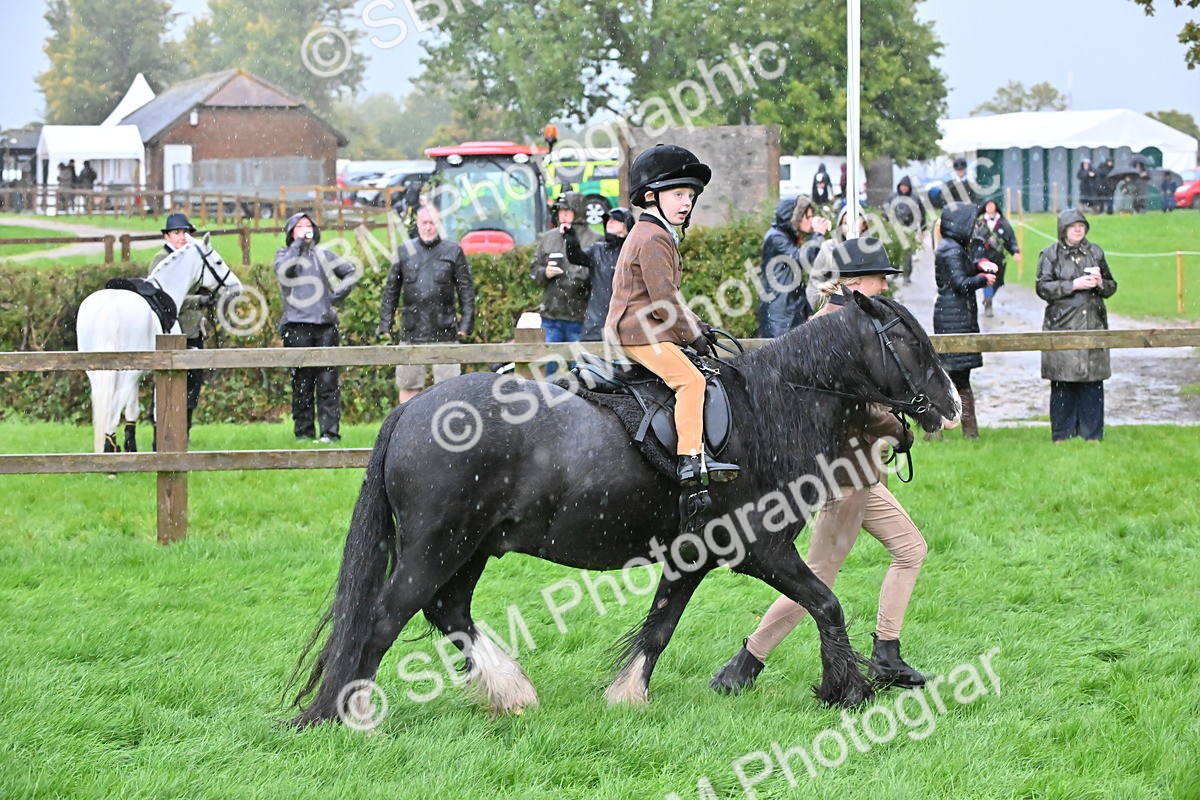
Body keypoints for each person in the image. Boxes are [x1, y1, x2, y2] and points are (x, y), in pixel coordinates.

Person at [709, 237, 930, 694]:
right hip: (842, 475)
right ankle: (746, 661)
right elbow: (850, 410)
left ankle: (887, 652)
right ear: (853, 283)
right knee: (820, 575)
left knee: (911, 549)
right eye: (877, 279)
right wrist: (895, 427)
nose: (883, 287)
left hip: (860, 472)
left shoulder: (845, 325)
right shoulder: (830, 331)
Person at [605, 144, 737, 486]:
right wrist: (692, 335)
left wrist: (699, 327)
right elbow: (664, 301)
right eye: (678, 194)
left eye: (690, 196)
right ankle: (690, 460)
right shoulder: (652, 238)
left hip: (645, 328)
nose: (686, 203)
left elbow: (669, 301)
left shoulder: (654, 232)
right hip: (638, 333)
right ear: (651, 196)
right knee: (691, 380)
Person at [378, 205, 475, 404]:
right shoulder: (405, 251)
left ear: (439, 225)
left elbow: (466, 290)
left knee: (451, 387)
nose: (429, 227)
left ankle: (448, 430)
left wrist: (466, 324)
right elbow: (391, 290)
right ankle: (406, 428)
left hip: (445, 329)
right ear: (418, 224)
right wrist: (385, 323)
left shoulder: (453, 251)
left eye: (433, 223)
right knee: (409, 384)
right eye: (425, 223)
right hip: (412, 329)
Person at [274, 211, 358, 443]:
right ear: (291, 232)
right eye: (299, 225)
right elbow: (286, 273)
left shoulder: (324, 254)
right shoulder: (283, 254)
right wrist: (298, 245)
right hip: (296, 325)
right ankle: (303, 432)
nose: (305, 229)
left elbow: (350, 273)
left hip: (324, 326)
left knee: (328, 382)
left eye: (308, 225)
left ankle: (330, 432)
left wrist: (334, 296)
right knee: (301, 382)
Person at [1035, 209, 1117, 442]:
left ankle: (1092, 434)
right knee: (1063, 381)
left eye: (1081, 225)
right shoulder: (1050, 255)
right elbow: (1043, 287)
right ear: (1063, 230)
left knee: (1092, 382)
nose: (1078, 229)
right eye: (1073, 226)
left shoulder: (1095, 252)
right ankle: (1062, 433)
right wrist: (1073, 285)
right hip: (1062, 325)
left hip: (1093, 324)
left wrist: (1101, 283)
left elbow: (1111, 287)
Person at [932, 202, 997, 439]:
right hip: (954, 316)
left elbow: (967, 266)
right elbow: (960, 283)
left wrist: (979, 266)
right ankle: (943, 431)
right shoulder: (951, 250)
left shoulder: (953, 246)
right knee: (952, 377)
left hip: (957, 314)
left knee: (957, 377)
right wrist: (983, 279)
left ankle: (967, 432)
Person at [150, 212, 208, 432]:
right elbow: (166, 298)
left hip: (194, 329)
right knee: (167, 384)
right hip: (170, 329)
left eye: (184, 232)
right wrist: (199, 300)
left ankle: (185, 430)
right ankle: (163, 430)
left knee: (192, 385)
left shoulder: (193, 259)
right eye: (177, 232)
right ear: (167, 237)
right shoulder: (160, 260)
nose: (182, 237)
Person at [531, 191, 600, 366]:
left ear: (578, 212)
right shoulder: (549, 237)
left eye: (567, 211)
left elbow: (599, 275)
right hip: (551, 315)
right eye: (560, 211)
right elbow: (533, 270)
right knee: (548, 369)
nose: (563, 215)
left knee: (581, 370)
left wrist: (572, 274)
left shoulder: (595, 240)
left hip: (580, 317)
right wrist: (544, 272)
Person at [756, 195, 830, 336]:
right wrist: (818, 235)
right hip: (779, 317)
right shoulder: (775, 237)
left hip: (790, 313)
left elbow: (795, 280)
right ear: (795, 217)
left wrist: (807, 311)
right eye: (807, 217)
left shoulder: (786, 237)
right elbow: (801, 259)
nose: (811, 221)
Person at [564, 206, 632, 342]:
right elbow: (575, 257)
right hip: (596, 322)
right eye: (608, 219)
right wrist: (571, 238)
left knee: (623, 362)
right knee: (590, 361)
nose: (610, 222)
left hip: (625, 322)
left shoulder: (632, 252)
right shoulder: (598, 250)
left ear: (627, 225)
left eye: (616, 220)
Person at [974, 198, 1021, 317]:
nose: (990, 207)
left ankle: (988, 297)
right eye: (988, 205)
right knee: (987, 280)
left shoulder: (1003, 223)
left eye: (992, 205)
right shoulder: (979, 223)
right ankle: (988, 302)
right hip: (984, 258)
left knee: (998, 281)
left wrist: (1015, 251)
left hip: (999, 258)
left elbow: (1011, 238)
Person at [883, 175, 927, 284]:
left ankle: (906, 275)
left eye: (906, 186)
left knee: (907, 253)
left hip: (909, 229)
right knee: (894, 252)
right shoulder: (892, 197)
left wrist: (923, 227)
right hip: (894, 229)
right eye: (902, 186)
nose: (904, 188)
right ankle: (894, 272)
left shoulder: (915, 198)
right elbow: (885, 211)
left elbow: (922, 213)